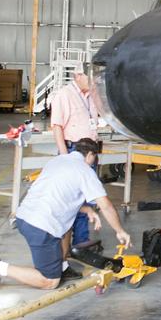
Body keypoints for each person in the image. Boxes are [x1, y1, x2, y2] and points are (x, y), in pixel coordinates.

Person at [0, 138, 129, 293]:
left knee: (67, 226)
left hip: (24, 216)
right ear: (91, 154)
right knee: (49, 281)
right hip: (41, 227)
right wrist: (120, 231)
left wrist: (87, 210)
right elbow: (105, 205)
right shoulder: (85, 171)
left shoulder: (57, 161)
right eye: (95, 158)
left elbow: (59, 196)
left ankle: (63, 267)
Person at [49, 68, 101, 247]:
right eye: (89, 76)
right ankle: (65, 245)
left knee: (87, 198)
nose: (93, 80)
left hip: (90, 153)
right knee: (71, 199)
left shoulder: (92, 95)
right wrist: (65, 158)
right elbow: (57, 127)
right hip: (73, 151)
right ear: (77, 76)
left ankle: (81, 241)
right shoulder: (64, 95)